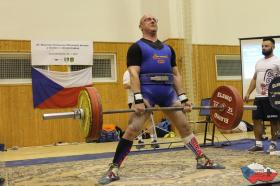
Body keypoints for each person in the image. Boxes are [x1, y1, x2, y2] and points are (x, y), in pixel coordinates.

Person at [98, 14, 225, 185]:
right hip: (147, 91)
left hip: (167, 92)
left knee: (184, 126)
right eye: (147, 19)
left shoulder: (168, 49)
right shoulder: (136, 48)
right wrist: (138, 99)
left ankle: (201, 159)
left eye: (154, 19)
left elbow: (176, 75)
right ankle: (114, 168)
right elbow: (134, 73)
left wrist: (183, 98)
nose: (152, 20)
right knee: (132, 128)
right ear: (140, 26)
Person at [244, 37, 280, 152]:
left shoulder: (277, 61)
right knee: (256, 119)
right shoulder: (259, 62)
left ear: (273, 47)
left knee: (273, 120)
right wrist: (248, 92)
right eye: (263, 46)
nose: (264, 48)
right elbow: (254, 79)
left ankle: (273, 143)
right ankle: (259, 144)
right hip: (259, 97)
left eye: (266, 46)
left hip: (272, 97)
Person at [123, 69, 160, 149]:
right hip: (134, 99)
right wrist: (137, 85)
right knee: (137, 120)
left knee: (150, 118)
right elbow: (126, 85)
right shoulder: (128, 72)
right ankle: (140, 140)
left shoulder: (145, 70)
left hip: (147, 98)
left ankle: (154, 140)